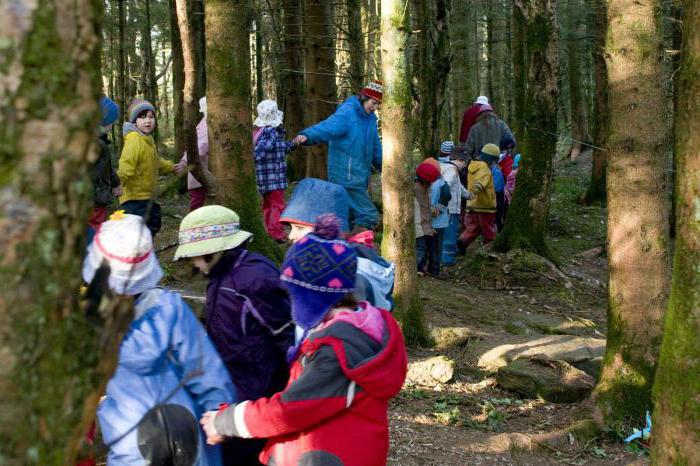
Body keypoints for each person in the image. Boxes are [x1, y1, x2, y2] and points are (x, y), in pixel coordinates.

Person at [199, 221, 408, 466]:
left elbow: (290, 409)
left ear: (310, 294)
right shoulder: (355, 326)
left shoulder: (338, 349)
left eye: (292, 291)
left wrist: (226, 420)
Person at [83, 213, 236, 465]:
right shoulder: (168, 307)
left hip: (130, 431)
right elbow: (204, 366)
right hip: (184, 423)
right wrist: (219, 412)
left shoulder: (92, 321)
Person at [174, 205, 294, 465]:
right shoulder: (221, 275)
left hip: (258, 388)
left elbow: (285, 335)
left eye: (196, 256)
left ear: (215, 251)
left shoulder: (253, 278)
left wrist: (289, 390)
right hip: (231, 383)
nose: (193, 262)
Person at [279, 177, 395, 312]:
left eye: (300, 228)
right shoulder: (323, 263)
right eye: (291, 228)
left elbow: (348, 327)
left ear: (327, 229)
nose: (291, 236)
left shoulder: (352, 277)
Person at [293, 81, 383, 232]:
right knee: (369, 215)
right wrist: (307, 135)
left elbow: (375, 148)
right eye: (373, 103)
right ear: (364, 97)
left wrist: (385, 167)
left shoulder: (371, 119)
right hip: (345, 177)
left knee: (344, 218)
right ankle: (354, 247)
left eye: (378, 104)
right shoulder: (348, 113)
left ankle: (342, 249)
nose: (375, 108)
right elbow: (327, 128)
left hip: (359, 177)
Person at [118, 99, 186, 238]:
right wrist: (117, 184)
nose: (147, 121)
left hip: (146, 196)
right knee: (140, 233)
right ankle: (138, 256)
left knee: (153, 222)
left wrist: (172, 167)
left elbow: (156, 162)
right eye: (142, 117)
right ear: (134, 121)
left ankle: (144, 254)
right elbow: (126, 166)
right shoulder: (134, 141)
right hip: (134, 198)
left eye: (151, 116)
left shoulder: (147, 140)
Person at [252, 100, 297, 242]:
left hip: (266, 178)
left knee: (268, 205)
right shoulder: (270, 133)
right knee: (277, 205)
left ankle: (270, 230)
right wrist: (257, 153)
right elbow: (258, 153)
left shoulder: (261, 132)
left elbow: (280, 149)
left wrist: (294, 143)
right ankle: (276, 233)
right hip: (272, 178)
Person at [88, 96, 122, 243]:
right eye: (111, 121)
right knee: (94, 230)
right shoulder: (98, 145)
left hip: (95, 197)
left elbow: (106, 168)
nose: (112, 124)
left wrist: (116, 183)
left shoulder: (98, 143)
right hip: (95, 199)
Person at [458, 143, 499, 253]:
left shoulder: (473, 166)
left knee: (473, 228)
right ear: (490, 160)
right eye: (494, 161)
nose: (494, 164)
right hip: (484, 205)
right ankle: (489, 248)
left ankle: (462, 241)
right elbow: (480, 182)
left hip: (472, 204)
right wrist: (474, 191)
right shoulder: (484, 168)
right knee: (488, 228)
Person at [437, 141, 472, 265]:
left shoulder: (448, 168)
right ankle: (447, 259)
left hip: (449, 209)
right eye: (464, 162)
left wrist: (469, 195)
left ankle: (442, 257)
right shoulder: (451, 170)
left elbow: (459, 187)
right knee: (450, 234)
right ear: (460, 160)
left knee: (445, 233)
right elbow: (445, 186)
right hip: (450, 209)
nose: (464, 165)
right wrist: (442, 204)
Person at [179, 96, 209, 211]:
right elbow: (200, 146)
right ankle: (194, 225)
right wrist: (184, 162)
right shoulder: (205, 125)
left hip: (200, 170)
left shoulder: (203, 123)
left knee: (198, 201)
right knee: (198, 203)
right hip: (200, 170)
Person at [414, 160, 441, 275]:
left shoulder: (425, 189)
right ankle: (414, 268)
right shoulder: (417, 189)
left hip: (424, 225)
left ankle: (420, 268)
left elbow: (426, 207)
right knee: (420, 248)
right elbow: (422, 209)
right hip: (419, 225)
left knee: (424, 247)